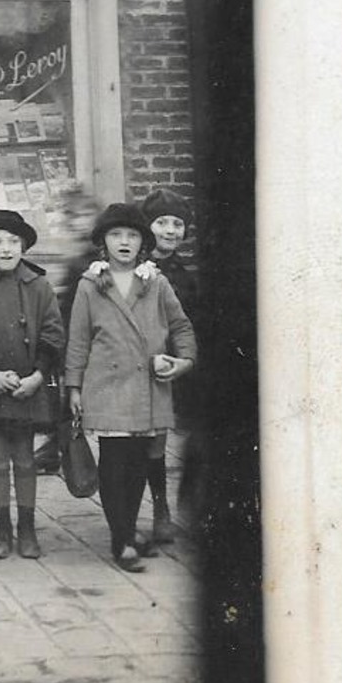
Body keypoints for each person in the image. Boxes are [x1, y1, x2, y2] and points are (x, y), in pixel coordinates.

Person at [65, 203, 196, 573]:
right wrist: (74, 386)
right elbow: (78, 340)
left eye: (133, 236)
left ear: (143, 244)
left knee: (138, 463)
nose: (124, 242)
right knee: (112, 462)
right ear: (103, 243)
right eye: (116, 235)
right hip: (106, 386)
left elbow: (182, 326)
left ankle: (125, 531)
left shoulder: (155, 282)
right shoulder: (91, 284)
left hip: (146, 385)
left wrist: (183, 360)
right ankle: (121, 539)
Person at [0, 210, 65, 561]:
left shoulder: (38, 285)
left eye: (13, 242)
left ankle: (27, 527)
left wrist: (38, 375)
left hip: (27, 384)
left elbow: (53, 330)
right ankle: (1, 527)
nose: (5, 249)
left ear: (23, 246)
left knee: (24, 456)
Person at [140, 187, 201, 543]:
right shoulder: (137, 269)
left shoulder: (183, 274)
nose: (170, 231)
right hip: (146, 368)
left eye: (177, 224)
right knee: (153, 443)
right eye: (162, 222)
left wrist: (186, 360)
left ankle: (185, 509)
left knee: (186, 439)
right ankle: (159, 511)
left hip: (178, 369)